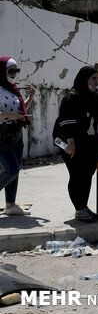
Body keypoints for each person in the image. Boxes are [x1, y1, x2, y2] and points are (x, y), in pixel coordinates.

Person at [53, 66, 98, 222]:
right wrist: (70, 143)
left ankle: (83, 207)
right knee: (77, 175)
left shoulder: (96, 95)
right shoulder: (72, 96)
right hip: (72, 143)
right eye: (94, 79)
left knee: (87, 174)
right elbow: (66, 121)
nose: (97, 82)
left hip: (91, 141)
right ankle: (79, 208)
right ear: (84, 79)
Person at [0, 57, 35, 216]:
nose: (15, 73)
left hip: (16, 134)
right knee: (11, 169)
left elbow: (20, 112)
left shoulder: (13, 88)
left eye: (16, 70)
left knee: (15, 170)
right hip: (2, 135)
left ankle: (10, 205)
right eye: (11, 70)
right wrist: (9, 115)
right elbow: (10, 114)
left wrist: (30, 98)